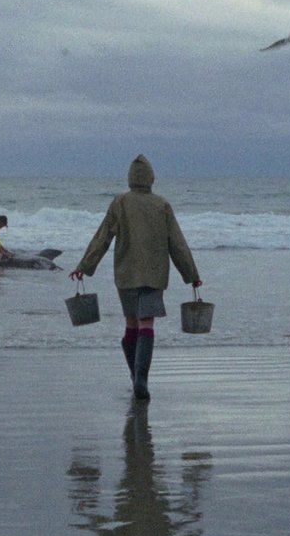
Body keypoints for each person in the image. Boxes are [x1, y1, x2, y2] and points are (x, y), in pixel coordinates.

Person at [68, 155, 201, 400]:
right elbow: (177, 244)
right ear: (151, 178)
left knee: (131, 323)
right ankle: (142, 379)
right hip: (154, 275)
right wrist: (191, 274)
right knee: (146, 324)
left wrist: (84, 266)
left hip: (126, 274)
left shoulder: (120, 203)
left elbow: (102, 239)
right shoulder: (162, 205)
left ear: (130, 178)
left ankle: (134, 376)